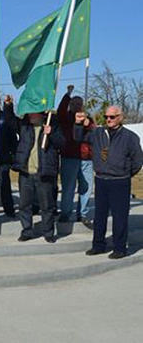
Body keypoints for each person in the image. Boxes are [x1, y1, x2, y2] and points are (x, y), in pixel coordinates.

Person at [75, 106, 143, 259]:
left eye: (112, 117)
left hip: (120, 182)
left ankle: (120, 248)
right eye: (106, 117)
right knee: (100, 216)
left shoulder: (130, 137)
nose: (108, 120)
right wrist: (78, 124)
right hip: (101, 180)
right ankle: (98, 245)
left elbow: (138, 160)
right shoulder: (98, 133)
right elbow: (79, 138)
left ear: (120, 117)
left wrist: (125, 172)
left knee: (119, 217)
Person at [8, 104, 65, 243]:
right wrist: (8, 106)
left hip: (44, 173)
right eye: (29, 113)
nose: (30, 115)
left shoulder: (53, 125)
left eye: (33, 113)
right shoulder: (24, 126)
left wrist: (51, 133)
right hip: (26, 173)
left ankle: (48, 233)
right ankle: (27, 231)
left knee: (47, 205)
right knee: (24, 205)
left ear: (41, 114)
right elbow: (10, 120)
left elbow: (62, 144)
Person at [57, 85, 96, 227]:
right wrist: (68, 94)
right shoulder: (65, 118)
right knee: (68, 187)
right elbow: (61, 110)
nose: (77, 106)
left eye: (79, 104)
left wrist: (88, 125)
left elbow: (94, 134)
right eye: (74, 104)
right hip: (69, 157)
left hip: (86, 158)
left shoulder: (88, 119)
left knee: (86, 187)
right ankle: (66, 213)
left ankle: (83, 213)